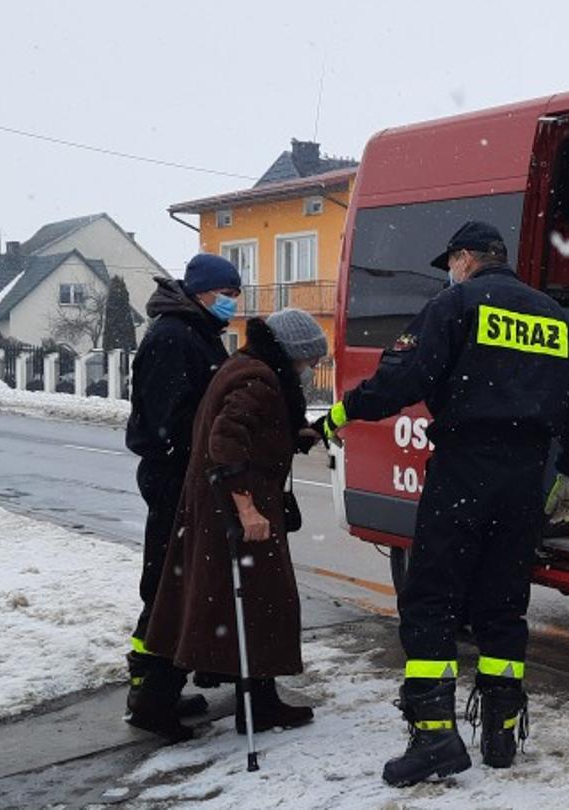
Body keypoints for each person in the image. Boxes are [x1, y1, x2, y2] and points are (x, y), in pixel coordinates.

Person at [316, 222, 569, 787]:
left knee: (431, 600)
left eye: (450, 263)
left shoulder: (456, 303)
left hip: (465, 469)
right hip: (525, 479)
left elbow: (401, 378)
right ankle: (502, 730)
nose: (449, 272)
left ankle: (434, 735)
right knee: (503, 604)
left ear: (463, 259)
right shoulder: (552, 316)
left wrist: (339, 414)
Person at [141, 308, 328, 738]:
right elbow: (225, 439)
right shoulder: (258, 379)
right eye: (310, 358)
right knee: (235, 604)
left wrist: (294, 435)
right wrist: (246, 508)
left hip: (216, 506)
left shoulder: (245, 366)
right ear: (291, 352)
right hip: (234, 509)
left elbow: (250, 430)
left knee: (222, 603)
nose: (312, 367)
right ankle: (160, 702)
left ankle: (255, 702)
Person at [122, 253, 242, 740]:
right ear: (201, 292)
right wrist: (206, 448)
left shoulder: (196, 332)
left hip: (187, 473)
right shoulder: (174, 337)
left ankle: (155, 685)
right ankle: (150, 690)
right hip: (175, 475)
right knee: (169, 580)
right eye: (226, 294)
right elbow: (172, 419)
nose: (232, 303)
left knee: (177, 578)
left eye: (236, 295)